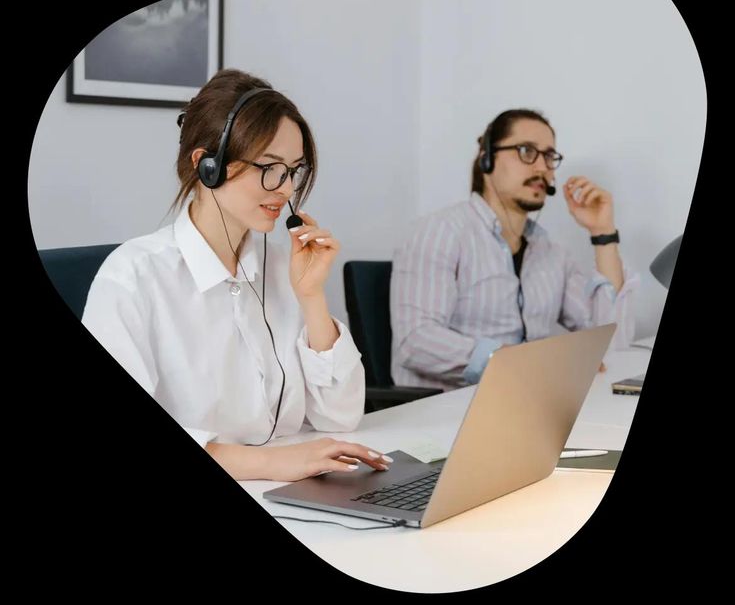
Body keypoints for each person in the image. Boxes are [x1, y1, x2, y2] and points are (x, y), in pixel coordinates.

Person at [82, 69, 392, 481]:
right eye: (269, 167)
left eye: (293, 170)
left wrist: (312, 298)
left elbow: (341, 416)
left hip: (294, 493)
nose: (284, 188)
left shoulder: (286, 267)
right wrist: (274, 463)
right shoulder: (133, 278)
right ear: (206, 165)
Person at [390, 108, 638, 391]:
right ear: (487, 158)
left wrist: (602, 233)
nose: (542, 167)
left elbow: (610, 344)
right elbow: (415, 342)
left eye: (549, 156)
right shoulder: (441, 232)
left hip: (527, 401)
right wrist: (519, 361)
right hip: (447, 409)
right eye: (526, 151)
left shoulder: (551, 251)